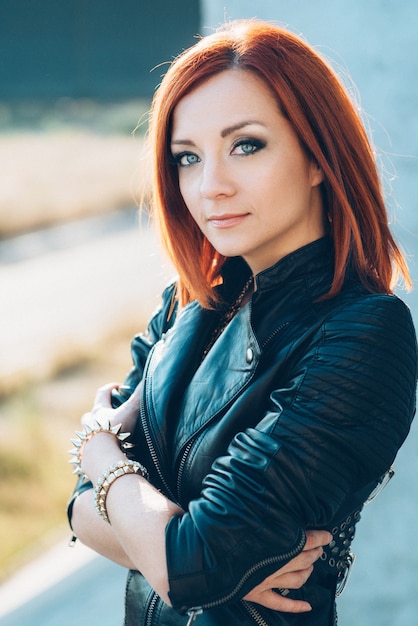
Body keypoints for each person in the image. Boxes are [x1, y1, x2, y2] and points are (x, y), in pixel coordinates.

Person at [67, 19, 417, 626]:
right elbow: (78, 513)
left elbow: (186, 564)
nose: (211, 186)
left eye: (246, 145)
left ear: (318, 157)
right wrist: (195, 558)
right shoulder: (186, 304)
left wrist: (99, 453)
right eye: (187, 157)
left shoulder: (365, 333)